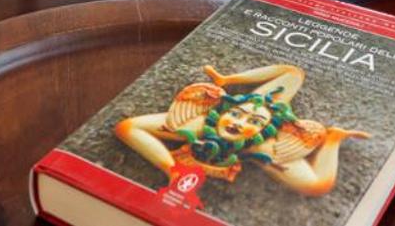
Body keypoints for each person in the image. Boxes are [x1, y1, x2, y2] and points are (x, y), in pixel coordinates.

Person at [112, 62, 367, 199]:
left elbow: (292, 73)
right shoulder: (200, 123)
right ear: (227, 109)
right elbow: (129, 128)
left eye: (253, 122)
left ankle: (335, 136)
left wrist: (332, 142)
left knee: (318, 185)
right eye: (236, 115)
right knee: (126, 126)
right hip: (234, 112)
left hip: (266, 125)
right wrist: (228, 79)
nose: (239, 123)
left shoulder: (266, 146)